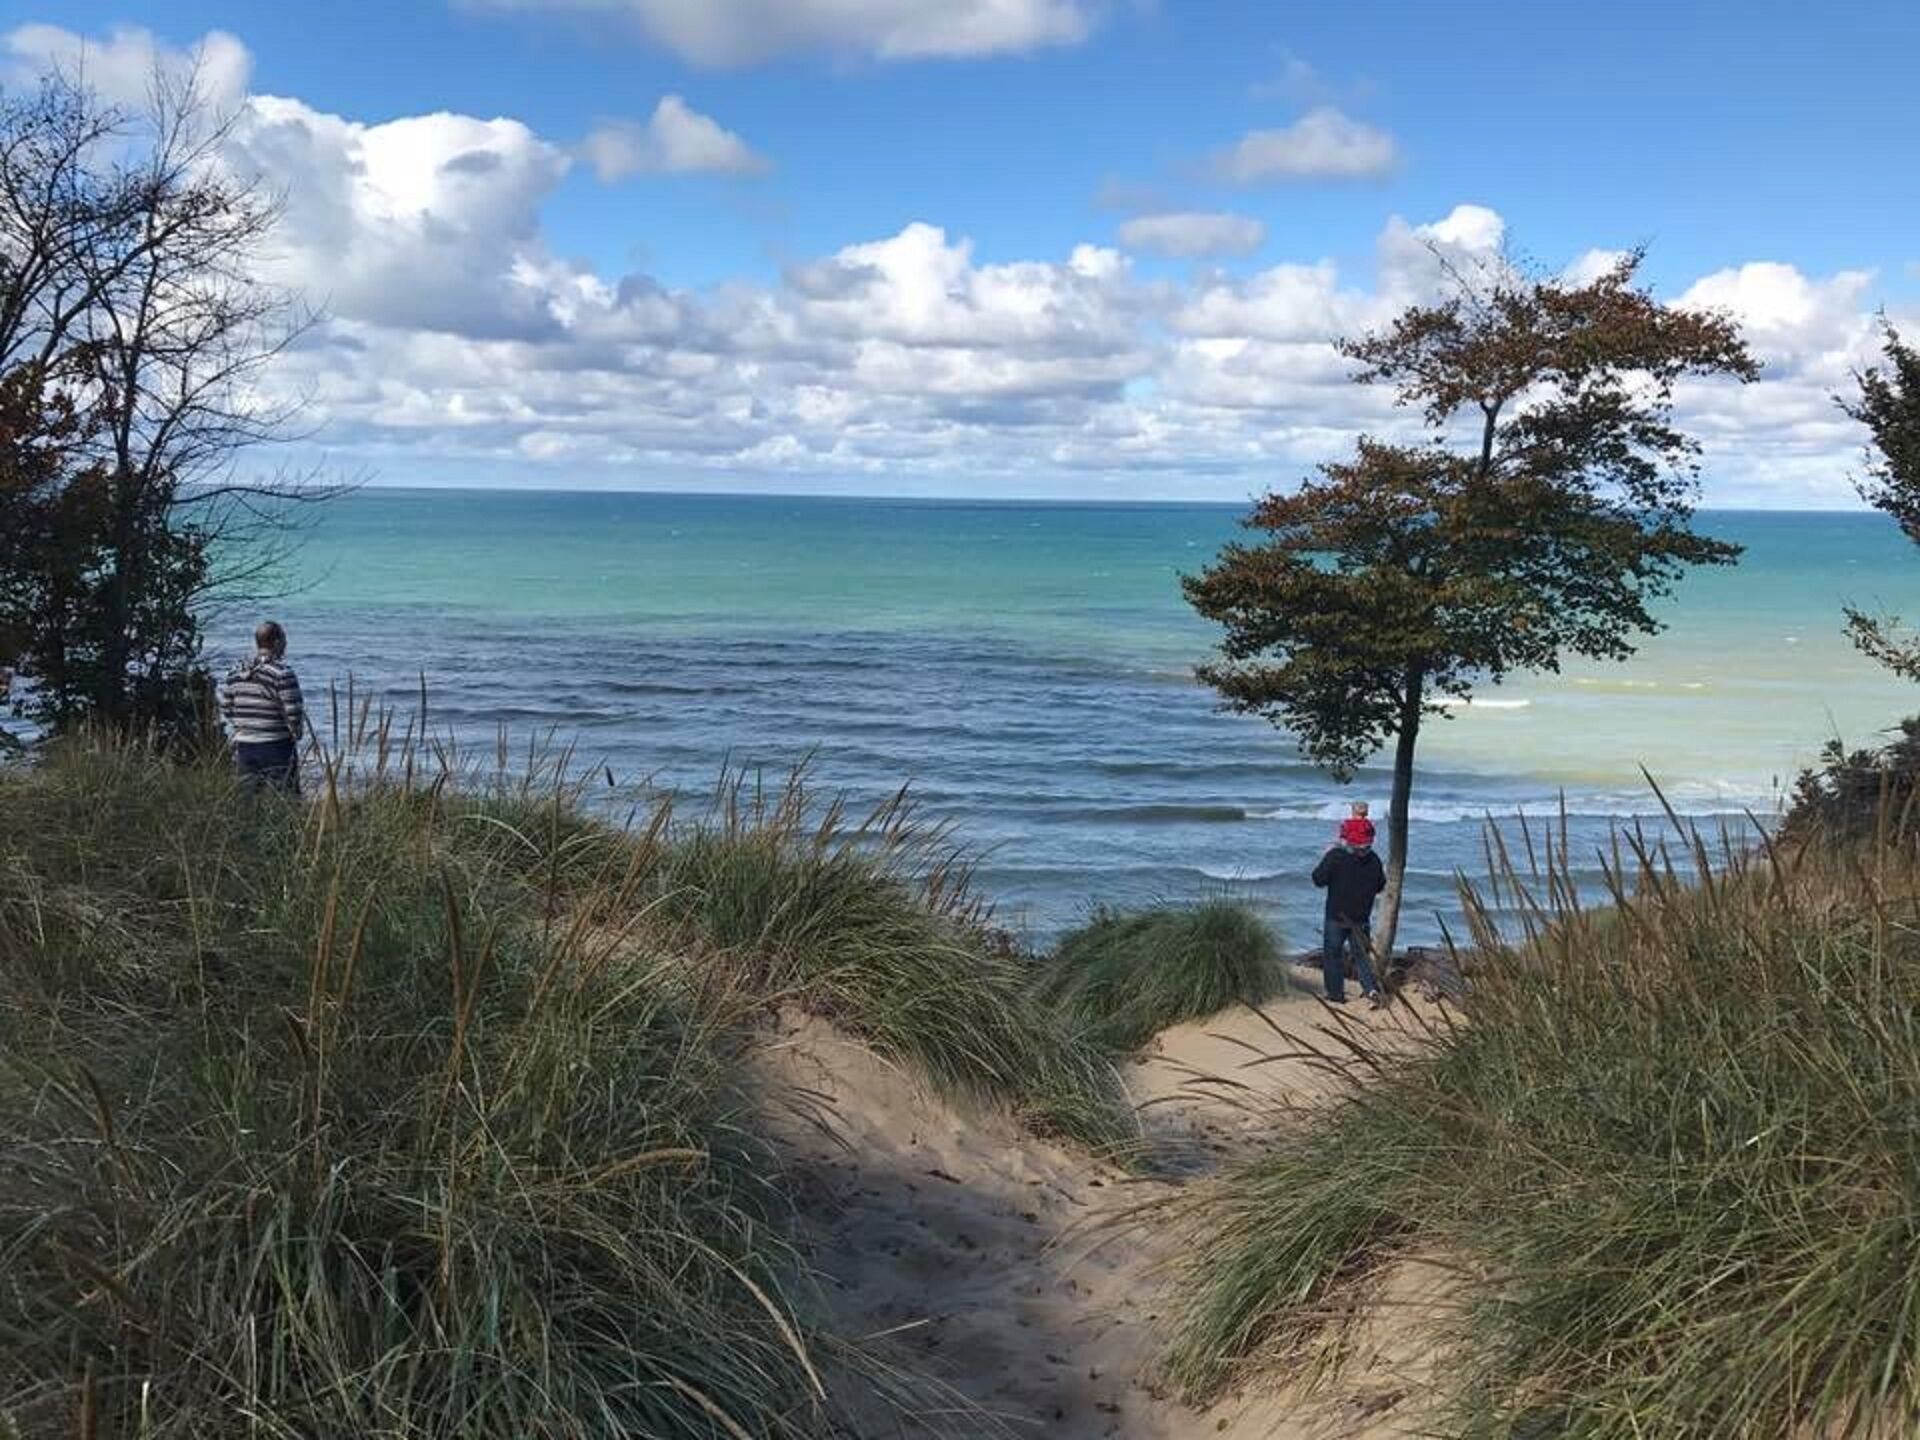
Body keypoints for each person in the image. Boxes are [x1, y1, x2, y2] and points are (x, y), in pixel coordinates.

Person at [221, 620, 305, 794]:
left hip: (244, 745)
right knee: (283, 802)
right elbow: (294, 712)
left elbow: (227, 708)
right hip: (276, 745)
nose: (286, 645)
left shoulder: (235, 673)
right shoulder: (282, 673)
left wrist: (245, 725)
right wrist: (296, 734)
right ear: (276, 642)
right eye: (284, 640)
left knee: (248, 803)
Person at [1311, 824, 1386, 1006]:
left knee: (1333, 956)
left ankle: (1336, 995)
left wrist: (1326, 856)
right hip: (1361, 918)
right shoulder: (1374, 860)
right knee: (1362, 958)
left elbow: (1318, 879)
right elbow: (1380, 886)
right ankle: (1371, 990)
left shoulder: (1336, 857)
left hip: (1336, 917)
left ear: (1349, 840)